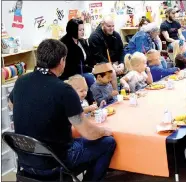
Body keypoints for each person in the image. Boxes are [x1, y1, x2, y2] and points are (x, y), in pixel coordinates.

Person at [8, 39, 115, 181]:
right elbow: (88, 133)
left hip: (25, 159)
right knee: (107, 142)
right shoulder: (64, 90)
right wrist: (104, 131)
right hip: (55, 161)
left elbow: (11, 104)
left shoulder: (21, 82)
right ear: (62, 60)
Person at [60, 18, 96, 103]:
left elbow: (90, 57)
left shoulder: (82, 41)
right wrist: (90, 69)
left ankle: (102, 98)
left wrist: (95, 66)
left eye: (83, 29)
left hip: (84, 69)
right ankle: (93, 102)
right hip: (71, 72)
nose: (82, 32)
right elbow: (72, 65)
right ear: (72, 30)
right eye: (80, 30)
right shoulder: (65, 44)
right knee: (89, 77)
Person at [88, 15, 124, 90]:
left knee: (129, 66)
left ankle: (127, 91)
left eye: (113, 26)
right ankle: (115, 94)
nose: (111, 28)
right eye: (108, 26)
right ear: (102, 25)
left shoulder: (116, 35)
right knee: (112, 72)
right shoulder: (94, 37)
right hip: (99, 64)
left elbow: (121, 50)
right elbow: (98, 56)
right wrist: (112, 66)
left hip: (114, 62)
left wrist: (121, 63)